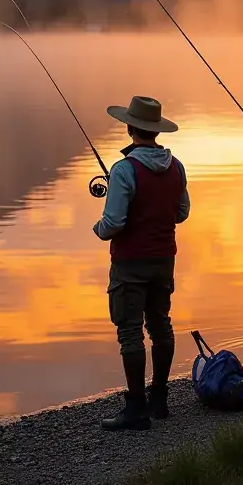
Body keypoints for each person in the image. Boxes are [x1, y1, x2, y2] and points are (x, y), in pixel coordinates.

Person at [93, 95, 190, 432]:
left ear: (130, 128)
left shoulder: (123, 170)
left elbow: (113, 223)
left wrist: (98, 229)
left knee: (130, 331)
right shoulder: (176, 166)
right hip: (164, 260)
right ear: (156, 130)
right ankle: (159, 399)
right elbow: (181, 213)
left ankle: (136, 408)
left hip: (130, 262)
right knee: (160, 323)